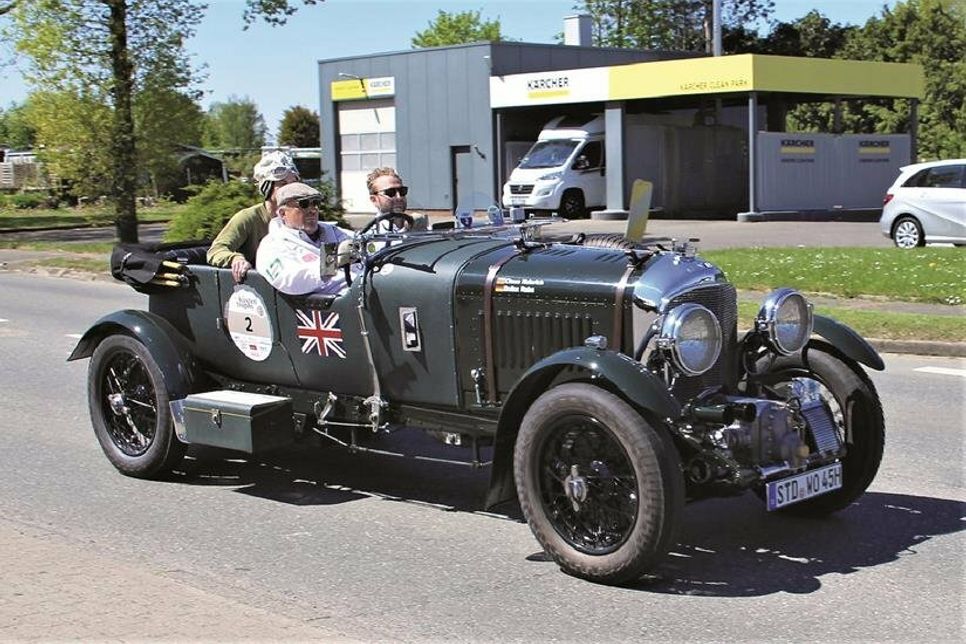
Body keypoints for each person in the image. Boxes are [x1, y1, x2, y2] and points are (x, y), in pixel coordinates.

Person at [207, 151, 300, 283]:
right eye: (283, 184)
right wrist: (236, 259)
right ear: (267, 187)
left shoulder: (300, 216)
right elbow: (216, 250)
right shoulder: (249, 218)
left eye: (293, 184)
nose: (290, 190)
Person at [255, 182, 356, 295]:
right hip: (333, 303)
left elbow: (369, 244)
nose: (313, 210)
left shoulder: (333, 231)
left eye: (315, 203)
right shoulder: (272, 244)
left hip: (363, 289)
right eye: (304, 204)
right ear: (283, 213)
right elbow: (287, 280)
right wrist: (331, 264)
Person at [366, 166, 426, 232]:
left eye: (402, 191)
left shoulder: (418, 227)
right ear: (374, 200)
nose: (399, 197)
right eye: (390, 192)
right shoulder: (371, 237)